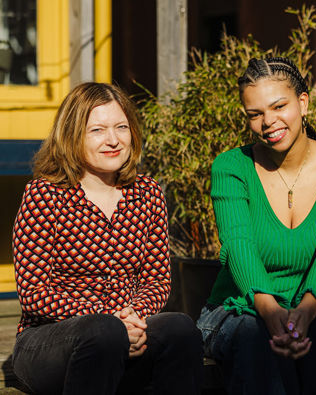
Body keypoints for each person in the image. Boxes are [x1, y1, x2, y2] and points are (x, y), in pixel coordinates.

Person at [12, 82, 203, 395]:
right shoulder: (44, 195)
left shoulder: (147, 193)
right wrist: (110, 320)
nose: (113, 140)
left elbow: (157, 281)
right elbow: (34, 292)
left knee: (180, 328)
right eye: (97, 130)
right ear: (72, 135)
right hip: (51, 343)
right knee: (104, 332)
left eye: (121, 127)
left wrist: (135, 318)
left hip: (127, 334)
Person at [197, 57, 316, 395]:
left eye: (279, 106)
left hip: (314, 307)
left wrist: (304, 314)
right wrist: (271, 312)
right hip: (238, 309)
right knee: (254, 335)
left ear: (303, 102)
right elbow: (238, 245)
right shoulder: (231, 166)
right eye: (255, 114)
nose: (268, 122)